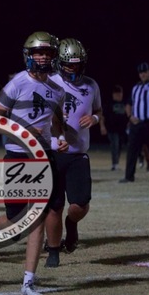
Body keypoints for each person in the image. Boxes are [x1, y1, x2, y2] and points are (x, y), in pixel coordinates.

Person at [0, 32, 67, 295]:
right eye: (37, 53)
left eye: (47, 53)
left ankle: (28, 282)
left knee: (38, 216)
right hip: (17, 155)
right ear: (28, 56)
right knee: (17, 218)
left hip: (42, 155)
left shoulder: (57, 88)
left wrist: (60, 136)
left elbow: (55, 120)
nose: (42, 57)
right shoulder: (16, 84)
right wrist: (20, 131)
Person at [45, 38, 101, 267]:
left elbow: (98, 110)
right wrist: (56, 132)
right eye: (69, 64)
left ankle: (72, 223)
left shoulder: (91, 85)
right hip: (55, 152)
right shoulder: (50, 83)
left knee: (80, 205)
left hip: (78, 153)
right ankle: (54, 251)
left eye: (77, 65)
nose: (73, 69)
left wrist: (95, 118)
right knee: (54, 205)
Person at [120, 62, 149, 183]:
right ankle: (129, 176)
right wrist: (130, 116)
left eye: (145, 72)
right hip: (137, 124)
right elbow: (128, 103)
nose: (143, 74)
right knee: (131, 150)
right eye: (141, 72)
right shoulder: (136, 87)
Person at [99, 85, 127, 171]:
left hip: (122, 129)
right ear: (114, 94)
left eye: (120, 94)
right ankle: (115, 164)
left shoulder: (125, 103)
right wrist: (102, 126)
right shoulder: (109, 103)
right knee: (115, 145)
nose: (119, 96)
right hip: (112, 129)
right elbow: (102, 116)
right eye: (117, 94)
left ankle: (116, 163)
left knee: (119, 146)